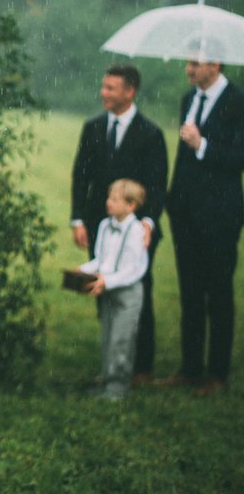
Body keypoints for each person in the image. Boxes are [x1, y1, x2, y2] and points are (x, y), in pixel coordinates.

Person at [70, 64, 167, 384]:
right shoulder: (93, 127)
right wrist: (78, 219)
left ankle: (141, 366)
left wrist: (148, 223)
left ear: (130, 91)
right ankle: (112, 362)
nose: (103, 93)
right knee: (103, 288)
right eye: (103, 86)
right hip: (100, 226)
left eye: (111, 88)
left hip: (136, 230)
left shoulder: (151, 134)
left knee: (138, 291)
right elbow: (80, 175)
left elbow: (157, 184)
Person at [163, 53, 244, 396]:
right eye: (187, 62)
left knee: (219, 294)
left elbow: (239, 157)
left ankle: (217, 374)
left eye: (195, 62)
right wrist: (174, 200)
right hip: (186, 213)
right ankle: (191, 368)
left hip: (221, 215)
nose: (188, 69)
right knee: (191, 293)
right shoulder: (188, 99)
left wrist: (203, 144)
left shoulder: (238, 101)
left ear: (217, 64)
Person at [76, 178, 149, 401]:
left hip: (128, 294)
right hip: (108, 290)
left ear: (131, 206)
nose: (108, 202)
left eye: (114, 199)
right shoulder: (104, 225)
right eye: (109, 197)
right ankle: (108, 380)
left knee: (121, 339)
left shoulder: (136, 231)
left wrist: (106, 281)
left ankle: (118, 388)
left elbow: (131, 270)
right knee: (108, 336)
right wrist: (81, 271)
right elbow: (101, 260)